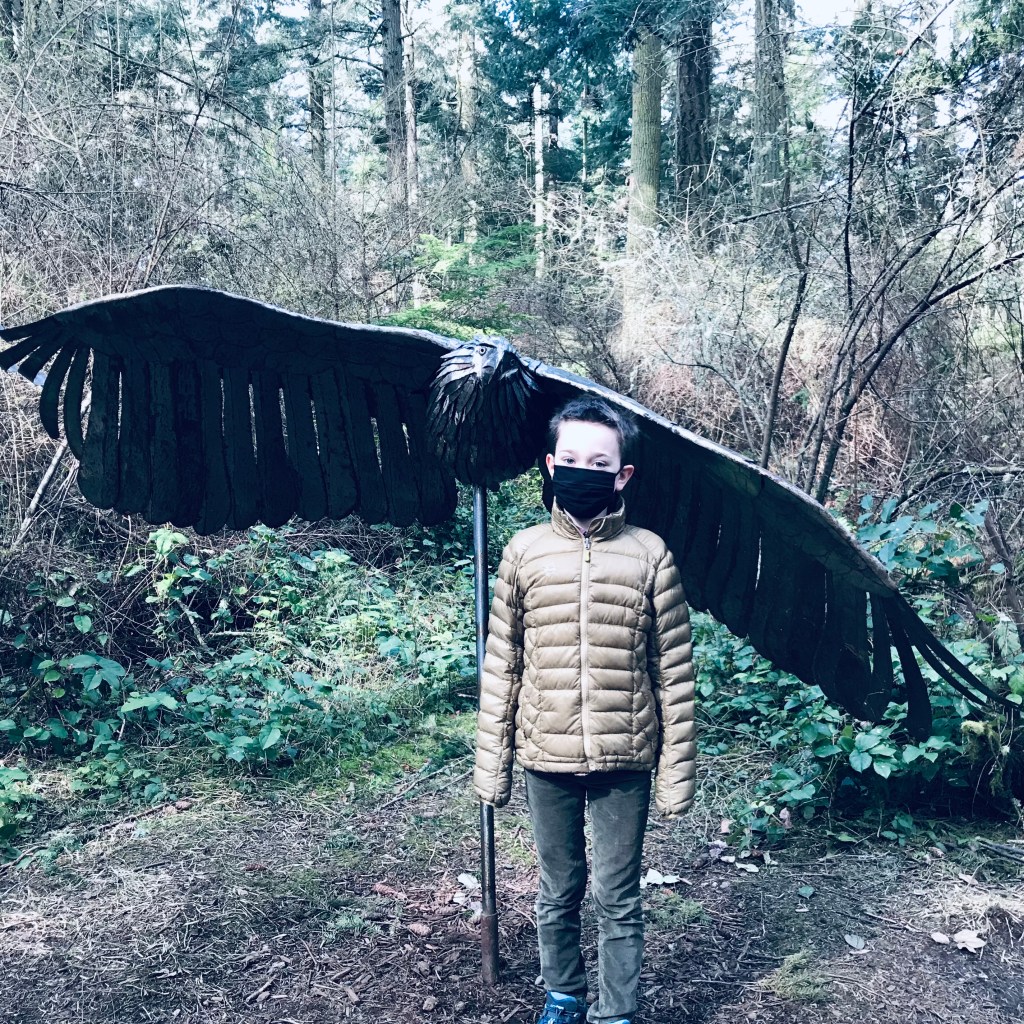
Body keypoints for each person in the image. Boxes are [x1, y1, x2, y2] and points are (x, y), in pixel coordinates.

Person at [474, 395, 697, 1024]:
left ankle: (616, 1011)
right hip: (546, 756)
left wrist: (677, 772)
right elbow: (503, 664)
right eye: (570, 459)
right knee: (559, 889)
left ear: (622, 475)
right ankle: (564, 995)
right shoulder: (524, 552)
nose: (583, 471)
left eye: (599, 463)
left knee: (618, 895)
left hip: (626, 758)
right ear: (550, 465)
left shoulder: (650, 554)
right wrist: (492, 764)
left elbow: (674, 673)